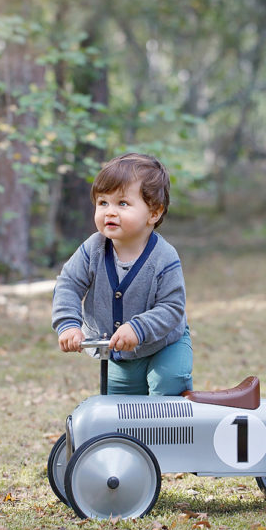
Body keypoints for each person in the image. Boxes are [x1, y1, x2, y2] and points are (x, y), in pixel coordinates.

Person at [52, 152, 193, 396]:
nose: (110, 212)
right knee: (121, 408)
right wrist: (68, 325)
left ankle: (168, 431)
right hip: (118, 351)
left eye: (122, 203)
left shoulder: (164, 256)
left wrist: (138, 328)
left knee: (168, 381)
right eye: (103, 203)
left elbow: (171, 307)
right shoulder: (92, 249)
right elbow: (68, 285)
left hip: (164, 343)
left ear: (154, 213)